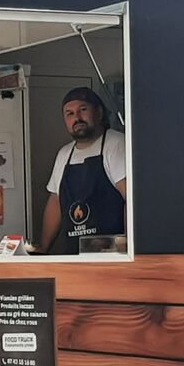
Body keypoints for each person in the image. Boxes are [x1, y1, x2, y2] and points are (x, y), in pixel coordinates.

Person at [34, 86, 128, 254]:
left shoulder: (116, 144)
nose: (77, 118)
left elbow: (132, 198)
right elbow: (55, 202)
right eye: (69, 113)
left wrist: (130, 248)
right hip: (75, 253)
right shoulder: (64, 154)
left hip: (111, 255)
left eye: (83, 110)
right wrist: (43, 248)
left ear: (99, 112)